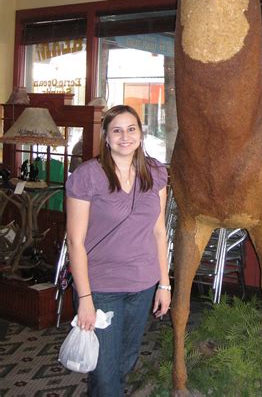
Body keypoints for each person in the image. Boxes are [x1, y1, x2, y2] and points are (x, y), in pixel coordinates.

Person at [66, 105, 171, 396]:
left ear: (140, 134)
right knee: (106, 373)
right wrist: (84, 298)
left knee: (124, 363)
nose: (125, 136)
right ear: (106, 136)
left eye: (131, 129)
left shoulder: (155, 173)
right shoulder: (88, 176)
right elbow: (75, 241)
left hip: (142, 285)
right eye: (117, 130)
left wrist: (164, 283)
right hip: (101, 289)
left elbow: (159, 231)